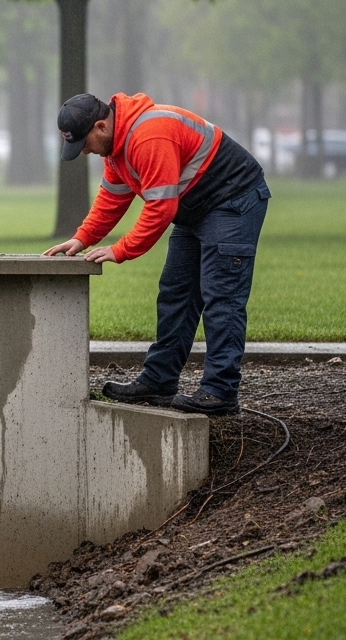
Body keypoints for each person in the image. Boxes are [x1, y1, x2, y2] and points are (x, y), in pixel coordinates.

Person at [44, 93, 269, 416]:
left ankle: (220, 391)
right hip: (195, 207)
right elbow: (111, 199)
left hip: (232, 200)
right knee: (175, 293)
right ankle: (159, 381)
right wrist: (81, 239)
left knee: (222, 296)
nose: (85, 151)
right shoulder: (116, 149)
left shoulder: (149, 135)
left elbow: (161, 208)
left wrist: (121, 249)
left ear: (101, 126)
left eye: (85, 143)